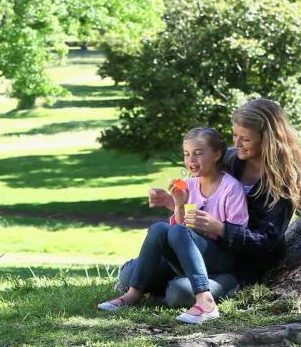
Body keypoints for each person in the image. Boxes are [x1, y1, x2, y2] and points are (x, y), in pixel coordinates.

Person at [113, 98, 301, 310]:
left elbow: (266, 243)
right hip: (200, 248)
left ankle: (167, 287)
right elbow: (201, 199)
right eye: (235, 135)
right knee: (128, 276)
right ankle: (157, 283)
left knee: (180, 292)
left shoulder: (281, 183)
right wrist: (175, 202)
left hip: (237, 265)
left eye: (245, 139)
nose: (236, 143)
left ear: (268, 139)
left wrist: (223, 229)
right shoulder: (230, 160)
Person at [97, 127, 250, 324]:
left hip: (220, 257)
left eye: (198, 153)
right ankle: (133, 294)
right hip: (188, 254)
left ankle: (206, 301)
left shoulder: (231, 188)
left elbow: (237, 237)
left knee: (176, 232)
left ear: (217, 154)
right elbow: (179, 230)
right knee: (160, 228)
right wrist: (179, 204)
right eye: (186, 154)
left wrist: (213, 227)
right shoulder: (189, 185)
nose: (191, 160)